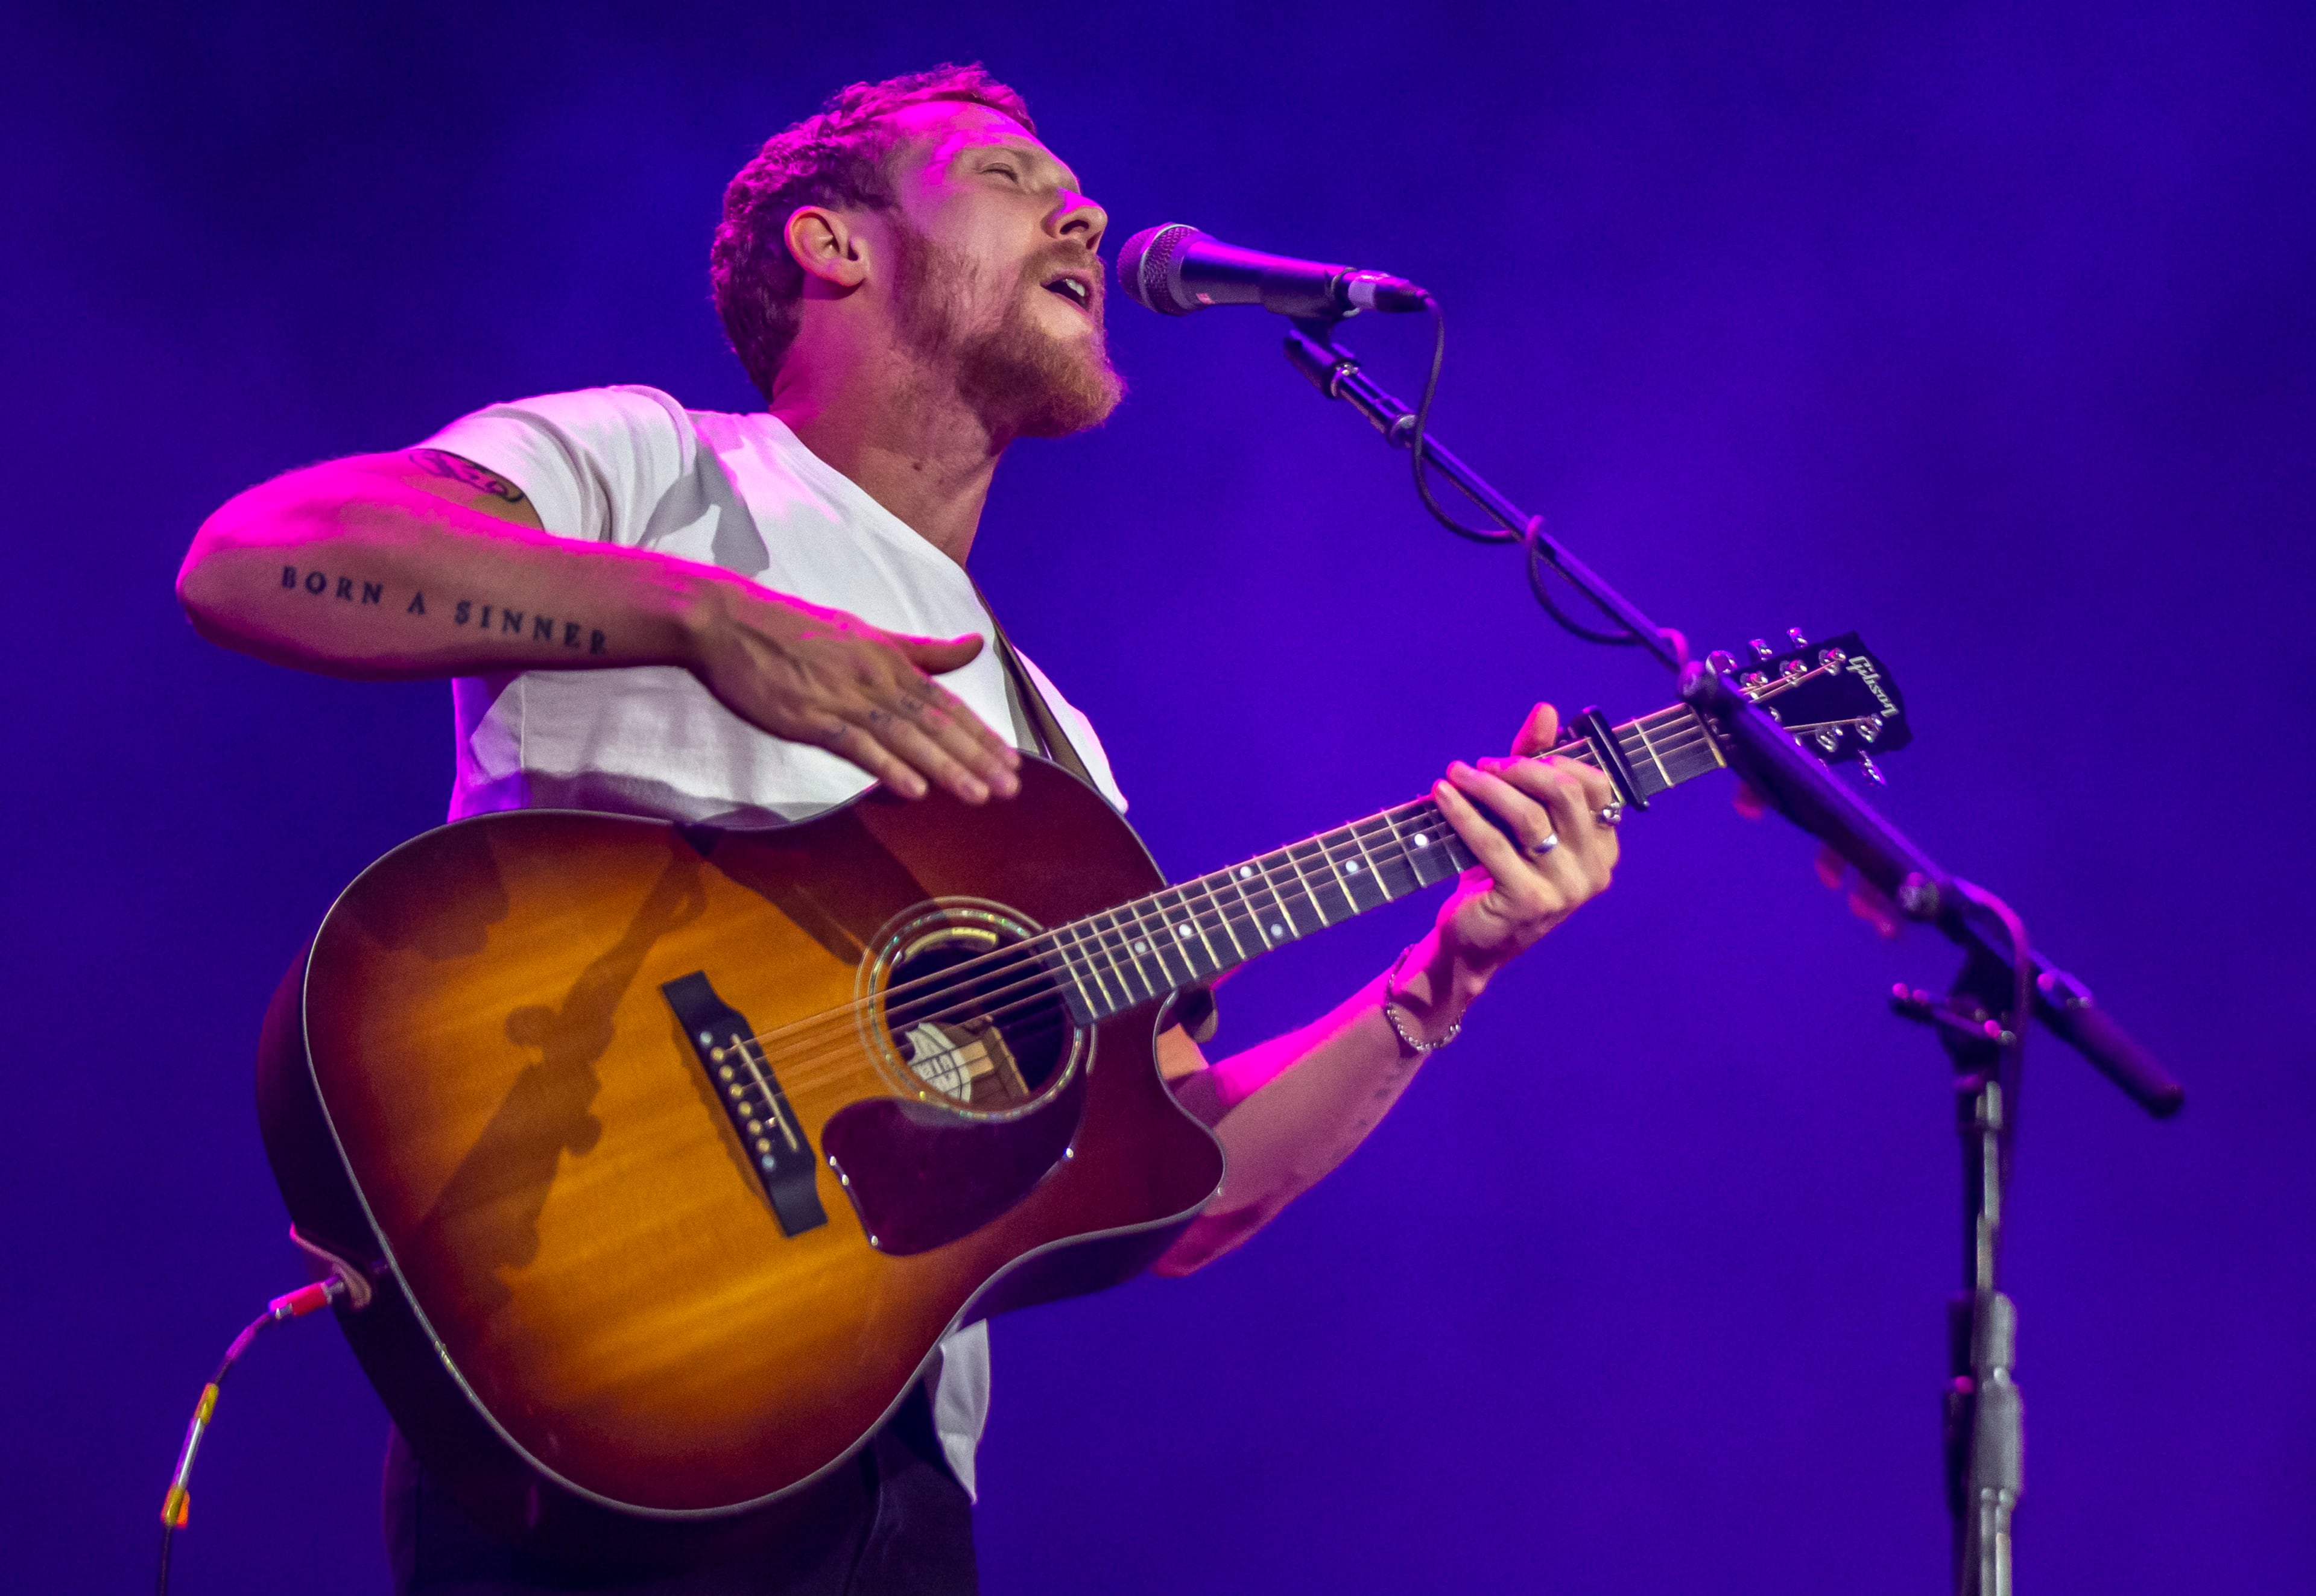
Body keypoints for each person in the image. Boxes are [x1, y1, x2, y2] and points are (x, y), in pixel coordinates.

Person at [177, 63, 1623, 1596]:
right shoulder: (659, 468)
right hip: (602, 1380)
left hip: (892, 1485)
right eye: (1009, 175)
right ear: (835, 246)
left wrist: (1436, 986)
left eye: (1074, 185)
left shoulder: (1058, 749)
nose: (1088, 209)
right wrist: (692, 614)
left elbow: (1175, 1177)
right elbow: (257, 561)